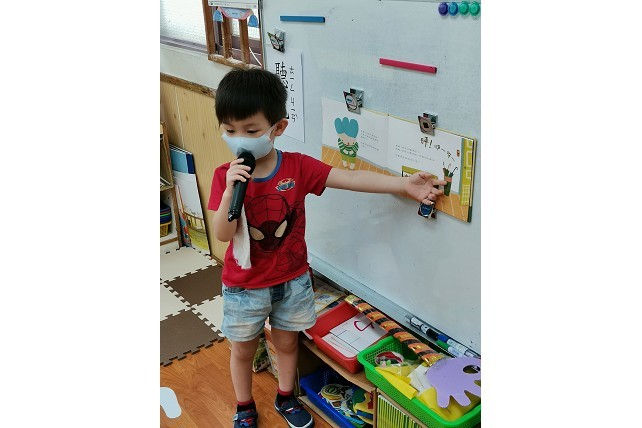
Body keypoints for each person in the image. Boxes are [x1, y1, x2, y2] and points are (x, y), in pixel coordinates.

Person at [208, 68, 446, 428]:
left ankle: (286, 397)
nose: (239, 139)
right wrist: (230, 191)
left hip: (291, 281)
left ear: (278, 128)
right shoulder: (223, 176)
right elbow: (223, 234)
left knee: (288, 344)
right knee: (242, 349)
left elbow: (350, 177)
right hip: (244, 287)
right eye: (230, 130)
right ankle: (244, 406)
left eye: (251, 131)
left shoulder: (297, 167)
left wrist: (402, 185)